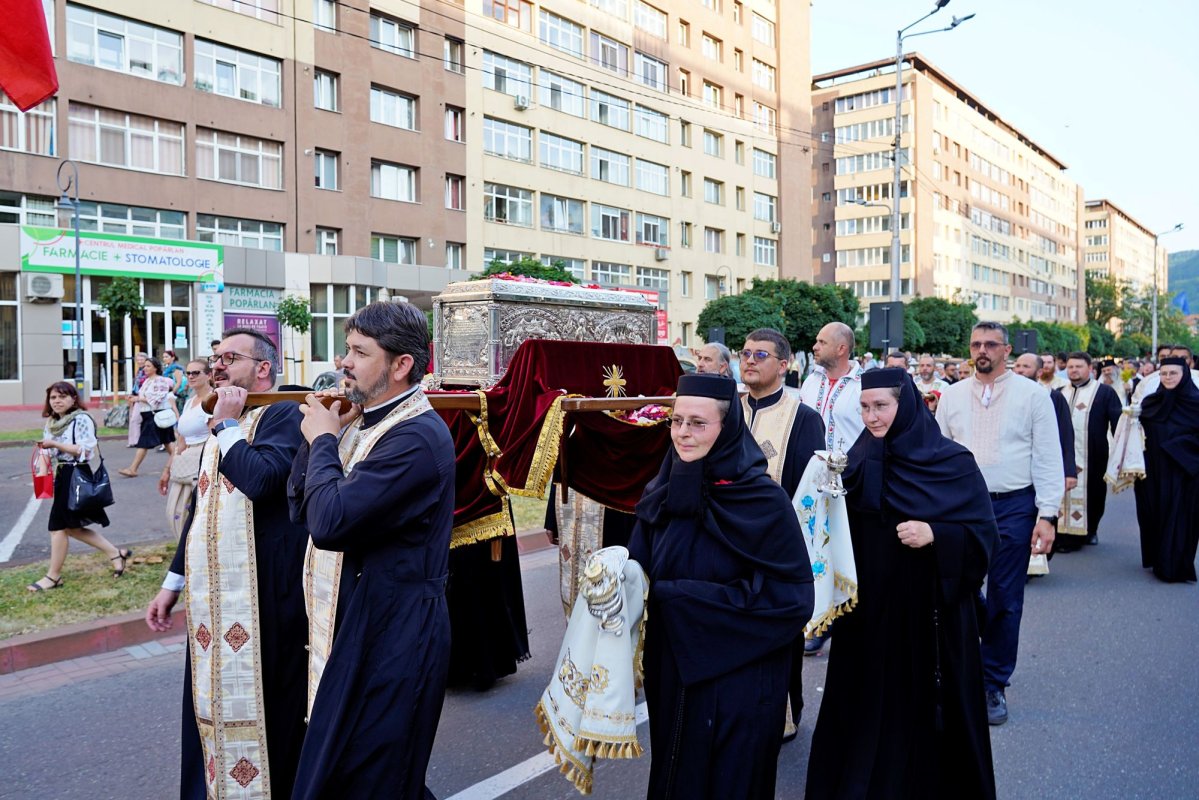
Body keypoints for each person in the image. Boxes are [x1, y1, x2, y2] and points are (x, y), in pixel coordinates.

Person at [286, 302, 455, 799]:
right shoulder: (367, 422)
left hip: (396, 630)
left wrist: (321, 442)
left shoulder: (416, 437)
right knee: (349, 771)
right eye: (347, 350)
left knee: (373, 775)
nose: (344, 362)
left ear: (401, 365)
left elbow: (331, 523)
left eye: (360, 352)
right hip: (363, 618)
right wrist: (319, 439)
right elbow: (303, 507)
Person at [806, 368, 998, 800]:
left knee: (926, 719)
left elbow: (985, 538)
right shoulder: (855, 460)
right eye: (865, 408)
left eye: (881, 407)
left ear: (905, 404)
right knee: (865, 711)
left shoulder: (951, 462)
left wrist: (938, 535)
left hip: (931, 617)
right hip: (868, 616)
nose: (872, 418)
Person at [629, 373, 814, 799]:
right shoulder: (663, 490)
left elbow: (792, 599)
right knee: (677, 773)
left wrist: (682, 599)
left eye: (698, 423)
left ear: (726, 427)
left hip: (741, 680)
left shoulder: (764, 502)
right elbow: (642, 572)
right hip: (673, 671)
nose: (683, 434)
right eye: (677, 422)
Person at [144, 328, 308, 800]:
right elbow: (201, 510)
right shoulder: (226, 418)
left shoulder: (284, 411)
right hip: (215, 604)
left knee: (269, 707)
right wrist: (170, 584)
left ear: (262, 369)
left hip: (266, 596)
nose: (217, 365)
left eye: (229, 358)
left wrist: (226, 424)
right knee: (208, 704)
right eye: (215, 357)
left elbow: (262, 481)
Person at [936, 322, 1062, 726]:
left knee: (1007, 596)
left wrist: (1047, 515)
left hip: (1014, 505)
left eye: (991, 344)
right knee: (959, 587)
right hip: (963, 507)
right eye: (976, 344)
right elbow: (938, 454)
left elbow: (1047, 456)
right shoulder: (952, 396)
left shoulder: (1033, 395)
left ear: (1007, 350)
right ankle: (964, 660)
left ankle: (992, 683)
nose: (982, 350)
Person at [738, 328, 824, 735]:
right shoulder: (728, 409)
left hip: (776, 546)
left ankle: (782, 714)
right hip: (727, 541)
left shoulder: (802, 416)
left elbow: (807, 490)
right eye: (745, 353)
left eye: (760, 354)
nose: (750, 360)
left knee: (778, 634)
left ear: (783, 365)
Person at [799, 322, 866, 656]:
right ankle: (821, 618)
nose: (814, 346)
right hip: (814, 479)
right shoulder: (811, 382)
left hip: (853, 481)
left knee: (848, 549)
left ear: (842, 348)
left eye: (821, 341)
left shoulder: (863, 384)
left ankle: (847, 618)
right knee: (817, 550)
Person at [27, 382, 132, 592]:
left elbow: (85, 451)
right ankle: (115, 553)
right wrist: (41, 473)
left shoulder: (81, 419)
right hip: (61, 476)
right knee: (72, 528)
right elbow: (46, 451)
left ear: (74, 399)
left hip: (76, 475)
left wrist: (55, 445)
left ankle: (53, 576)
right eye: (53, 398)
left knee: (57, 528)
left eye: (62, 397)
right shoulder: (52, 422)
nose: (57, 401)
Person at [1136, 356, 1199, 583]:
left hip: (1184, 470)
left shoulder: (1196, 402)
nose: (1168, 377)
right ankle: (1157, 559)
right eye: (1164, 373)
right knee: (1154, 513)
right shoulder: (1151, 402)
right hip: (1152, 470)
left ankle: (1175, 567)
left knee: (1181, 518)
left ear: (1185, 375)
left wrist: (1177, 446)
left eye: (1173, 373)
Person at [1056, 352, 1122, 549]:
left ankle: (1091, 529)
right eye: (1070, 367)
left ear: (1090, 370)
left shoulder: (1104, 392)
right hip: (1062, 454)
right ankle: (1062, 531)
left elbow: (1117, 424)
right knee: (1061, 493)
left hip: (1093, 453)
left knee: (1094, 492)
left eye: (1078, 367)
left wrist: (1121, 451)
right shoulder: (1059, 392)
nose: (1074, 370)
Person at [1013, 353, 1078, 508]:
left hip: (1044, 466)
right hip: (1016, 471)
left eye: (1026, 367)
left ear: (1039, 372)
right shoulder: (1005, 396)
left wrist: (1069, 471)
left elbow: (1066, 435)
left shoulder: (1053, 397)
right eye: (1017, 366)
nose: (1020, 370)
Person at [157, 360, 213, 539]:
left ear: (209, 375)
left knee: (197, 513)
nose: (191, 376)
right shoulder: (189, 402)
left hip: (203, 460)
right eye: (188, 373)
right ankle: (184, 552)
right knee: (175, 511)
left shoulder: (212, 400)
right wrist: (167, 470)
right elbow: (180, 441)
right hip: (185, 461)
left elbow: (216, 437)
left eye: (196, 373)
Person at [119, 357, 176, 477]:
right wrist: (134, 397)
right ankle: (178, 463)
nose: (145, 368)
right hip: (149, 414)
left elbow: (158, 397)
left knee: (144, 442)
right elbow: (145, 396)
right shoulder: (147, 380)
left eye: (148, 366)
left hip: (156, 414)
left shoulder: (159, 380)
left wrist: (138, 399)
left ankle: (133, 468)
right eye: (144, 366)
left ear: (156, 368)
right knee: (167, 441)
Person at [127, 351, 149, 447]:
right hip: (136, 397)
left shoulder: (147, 372)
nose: (140, 361)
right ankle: (133, 441)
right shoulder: (139, 371)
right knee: (134, 419)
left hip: (143, 398)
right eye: (138, 360)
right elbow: (136, 384)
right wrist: (132, 394)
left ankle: (136, 441)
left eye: (141, 360)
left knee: (136, 419)